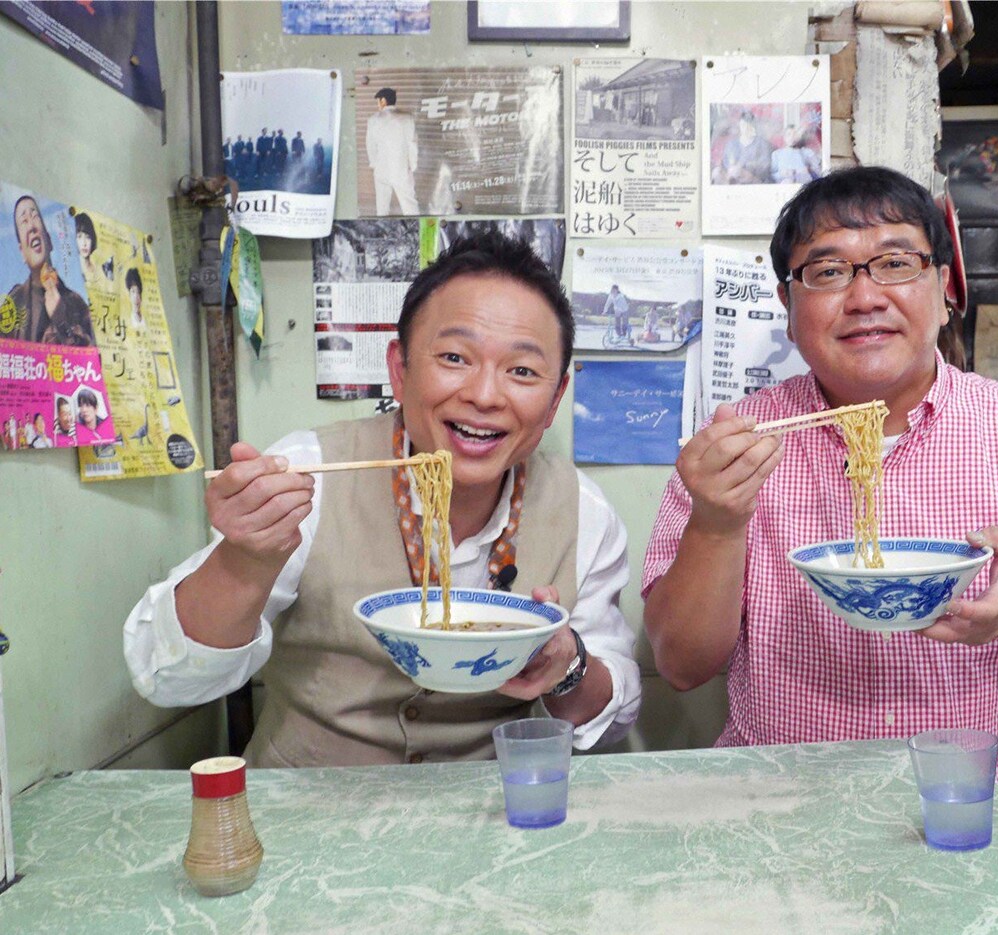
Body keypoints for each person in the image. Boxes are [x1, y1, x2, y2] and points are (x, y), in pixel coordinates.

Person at [642, 166, 998, 934]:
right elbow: (685, 665)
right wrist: (718, 523)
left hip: (978, 827)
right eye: (827, 271)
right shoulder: (737, 445)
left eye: (896, 261)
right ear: (790, 309)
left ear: (946, 286)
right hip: (776, 829)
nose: (864, 295)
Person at [124, 232, 641, 768]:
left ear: (556, 398)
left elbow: (612, 723)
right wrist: (244, 561)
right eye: (455, 357)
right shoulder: (308, 475)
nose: (485, 395)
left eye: (523, 371)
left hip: (490, 817)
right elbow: (166, 678)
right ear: (399, 368)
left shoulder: (584, 513)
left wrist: (568, 665)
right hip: (305, 812)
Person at [5, 195, 94, 346]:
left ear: (49, 241)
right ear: (21, 252)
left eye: (35, 216)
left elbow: (91, 359)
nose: (32, 226)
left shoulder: (76, 302)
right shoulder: (14, 301)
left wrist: (62, 324)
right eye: (24, 221)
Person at [366, 88, 420, 216]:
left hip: (381, 170)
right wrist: (413, 165)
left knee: (382, 209)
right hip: (401, 170)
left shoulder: (373, 120)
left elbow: (371, 145)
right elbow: (412, 144)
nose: (378, 104)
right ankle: (420, 233)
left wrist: (374, 164)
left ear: (383, 101)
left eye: (378, 101)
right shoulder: (407, 119)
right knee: (410, 208)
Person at [711, 111, 773, 185]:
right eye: (743, 125)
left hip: (754, 179)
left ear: (754, 125)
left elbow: (765, 167)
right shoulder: (731, 144)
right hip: (732, 178)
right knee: (717, 172)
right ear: (740, 125)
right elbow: (726, 163)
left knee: (736, 172)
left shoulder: (762, 144)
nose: (746, 128)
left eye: (749, 124)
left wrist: (745, 169)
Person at [75, 213, 103, 289]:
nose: (84, 243)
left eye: (88, 237)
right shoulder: (75, 268)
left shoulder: (99, 269)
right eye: (79, 237)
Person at [125, 267, 146, 332]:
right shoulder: (128, 321)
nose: (136, 296)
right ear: (129, 295)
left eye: (138, 292)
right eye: (133, 291)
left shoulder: (145, 321)